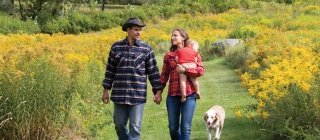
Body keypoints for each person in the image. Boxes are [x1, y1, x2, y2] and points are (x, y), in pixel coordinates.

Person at [101, 17, 162, 140]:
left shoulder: (146, 49)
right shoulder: (116, 47)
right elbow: (110, 70)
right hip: (119, 94)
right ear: (128, 30)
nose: (139, 32)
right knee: (119, 125)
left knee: (135, 127)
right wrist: (106, 91)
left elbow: (153, 72)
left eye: (140, 30)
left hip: (137, 95)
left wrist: (158, 92)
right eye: (136, 29)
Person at [159, 28, 205, 140]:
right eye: (172, 35)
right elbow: (164, 75)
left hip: (189, 95)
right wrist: (158, 92)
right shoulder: (169, 56)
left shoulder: (194, 53)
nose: (172, 38)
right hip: (173, 96)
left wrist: (185, 71)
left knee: (185, 127)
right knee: (173, 128)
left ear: (183, 38)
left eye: (175, 35)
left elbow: (200, 71)